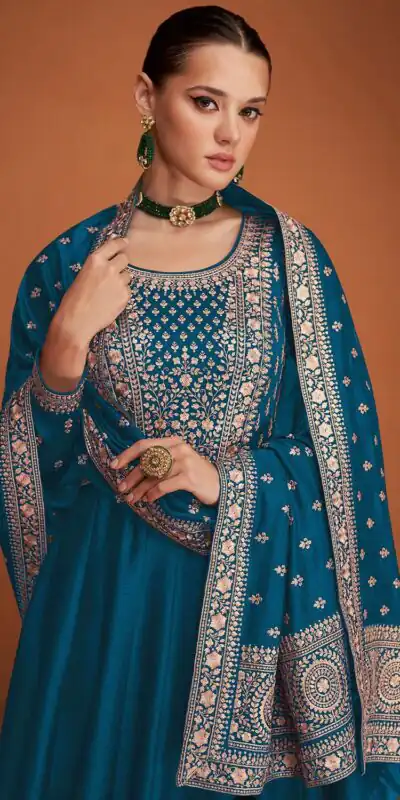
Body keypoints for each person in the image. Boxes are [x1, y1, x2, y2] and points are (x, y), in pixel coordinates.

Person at [0, 5, 399, 799]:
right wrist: (64, 350)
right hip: (107, 612)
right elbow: (33, 479)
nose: (229, 134)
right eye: (206, 101)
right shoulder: (69, 264)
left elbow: (347, 464)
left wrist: (230, 479)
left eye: (250, 112)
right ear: (147, 97)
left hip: (252, 601)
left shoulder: (291, 261)